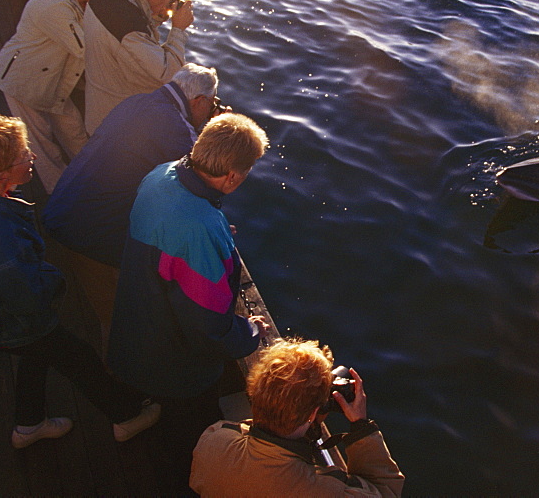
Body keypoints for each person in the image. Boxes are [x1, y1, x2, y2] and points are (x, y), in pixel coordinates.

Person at [0, 115, 161, 449]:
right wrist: (55, 280)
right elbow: (28, 298)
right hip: (7, 318)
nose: (31, 157)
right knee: (78, 358)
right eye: (23, 155)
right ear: (1, 175)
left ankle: (29, 426)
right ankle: (127, 417)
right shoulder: (2, 242)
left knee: (37, 354)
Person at [106, 112, 269, 491]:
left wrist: (212, 232)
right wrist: (249, 333)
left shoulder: (160, 175)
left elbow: (169, 240)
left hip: (136, 324)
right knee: (191, 433)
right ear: (232, 177)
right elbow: (210, 324)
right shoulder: (199, 229)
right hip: (174, 363)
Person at [42, 63, 224, 337]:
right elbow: (203, 185)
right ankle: (120, 370)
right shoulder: (175, 128)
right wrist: (215, 131)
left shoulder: (136, 102)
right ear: (199, 101)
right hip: (86, 229)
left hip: (61, 206)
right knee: (119, 315)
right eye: (212, 104)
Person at [190, 337, 405, 497]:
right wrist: (361, 428)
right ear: (313, 413)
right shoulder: (325, 490)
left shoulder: (212, 441)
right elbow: (385, 491)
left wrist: (294, 410)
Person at [0, 0, 114, 193]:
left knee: (74, 131)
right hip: (24, 82)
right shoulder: (53, 6)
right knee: (43, 145)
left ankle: (94, 174)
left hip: (53, 81)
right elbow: (85, 49)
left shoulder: (75, 0)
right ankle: (60, 194)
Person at [83, 0, 194, 134]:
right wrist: (178, 30)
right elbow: (168, 74)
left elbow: (124, 47)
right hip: (115, 124)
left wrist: (154, 19)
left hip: (97, 101)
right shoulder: (130, 27)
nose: (172, 2)